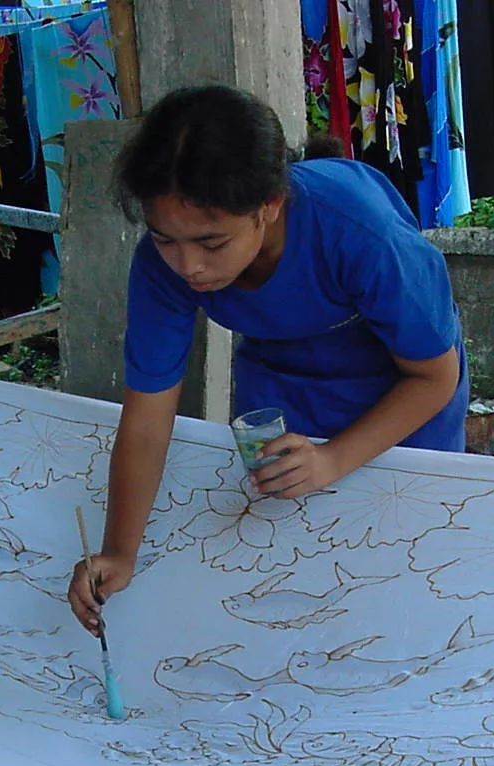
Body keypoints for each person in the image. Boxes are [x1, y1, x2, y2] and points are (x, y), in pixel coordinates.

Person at [68, 84, 469, 636]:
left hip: (403, 388)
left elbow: (434, 375)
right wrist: (119, 551)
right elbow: (146, 418)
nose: (188, 267)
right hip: (281, 377)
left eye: (211, 244)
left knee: (400, 565)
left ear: (269, 206)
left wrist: (332, 459)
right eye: (165, 240)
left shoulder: (360, 231)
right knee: (289, 565)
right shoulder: (162, 265)